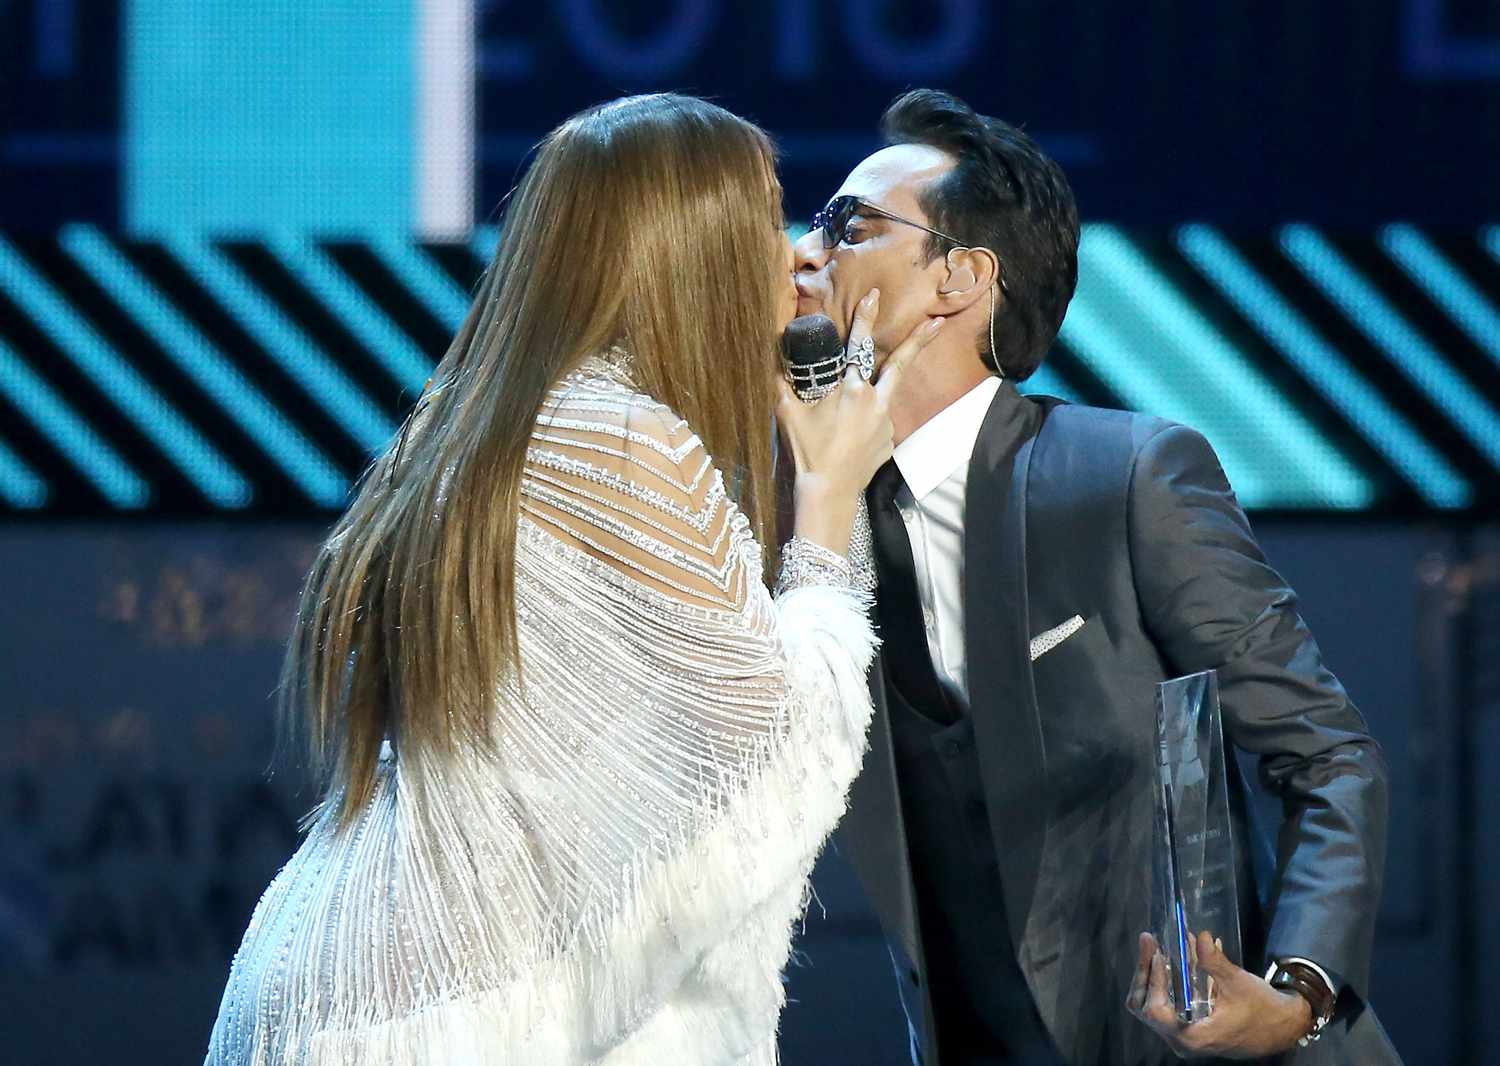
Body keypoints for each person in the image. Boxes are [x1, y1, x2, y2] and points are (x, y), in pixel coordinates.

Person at [203, 93, 941, 1065]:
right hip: (452, 1014)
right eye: (766, 216)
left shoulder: (507, 424)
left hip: (362, 986)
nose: (798, 252)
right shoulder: (620, 438)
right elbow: (776, 763)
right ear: (692, 250)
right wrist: (830, 495)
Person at [796, 90, 1402, 1065]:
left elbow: (1328, 757)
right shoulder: (818, 523)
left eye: (848, 226)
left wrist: (1294, 996)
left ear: (959, 278)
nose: (804, 252)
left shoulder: (1125, 476)